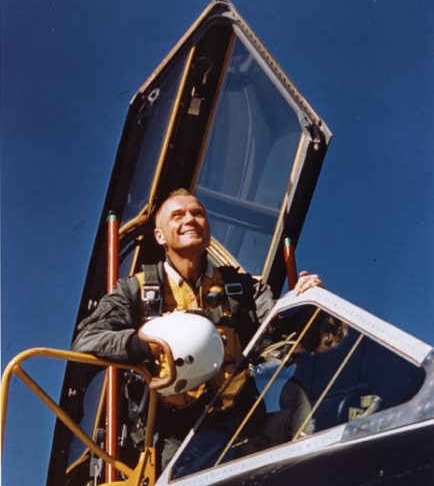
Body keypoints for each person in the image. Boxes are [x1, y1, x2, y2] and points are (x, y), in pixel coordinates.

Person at [72, 188, 322, 469]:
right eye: (177, 216)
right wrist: (145, 345)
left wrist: (304, 301)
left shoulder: (243, 289)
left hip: (243, 421)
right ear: (159, 236)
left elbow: (284, 331)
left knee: (314, 423)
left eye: (197, 214)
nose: (190, 219)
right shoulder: (136, 290)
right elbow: (87, 339)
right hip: (174, 434)